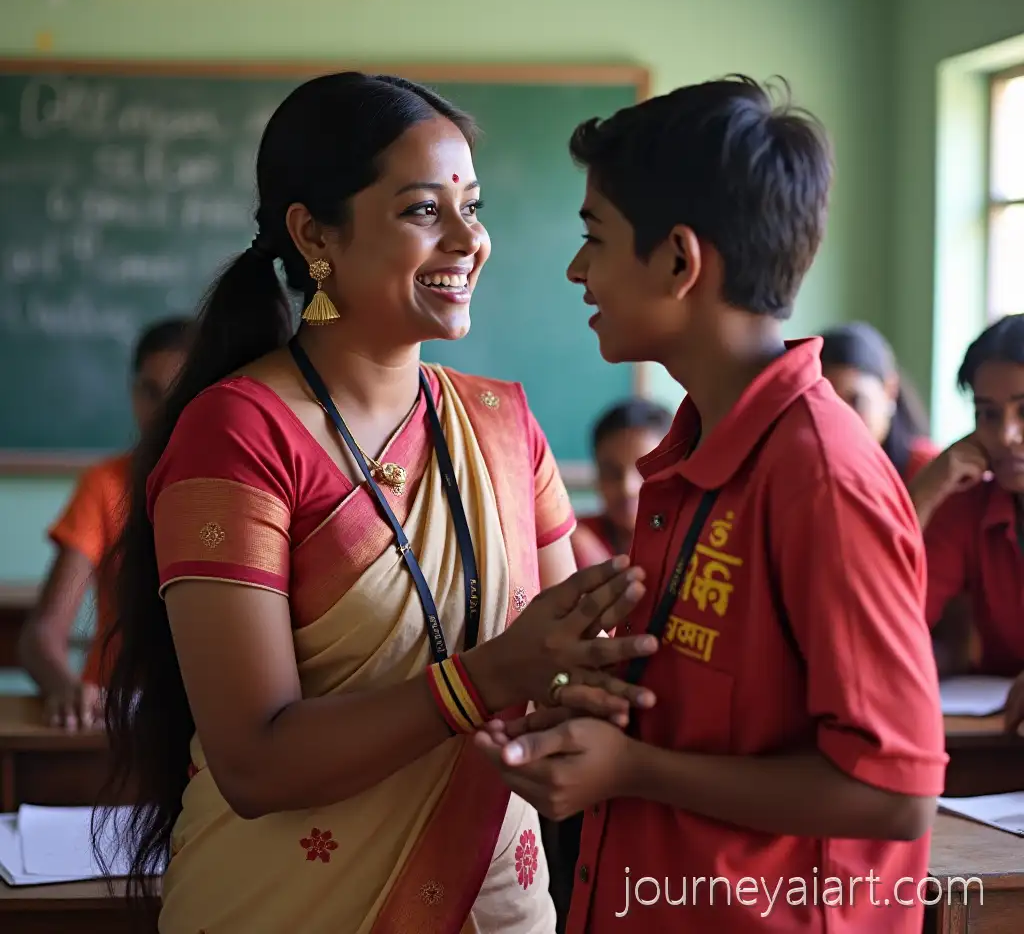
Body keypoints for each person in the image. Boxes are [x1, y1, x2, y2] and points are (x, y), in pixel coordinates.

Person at [96, 73, 662, 934]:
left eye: (472, 206)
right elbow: (254, 764)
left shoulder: (504, 428)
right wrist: (491, 677)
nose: (470, 240)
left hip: (503, 908)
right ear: (314, 233)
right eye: (423, 211)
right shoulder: (240, 433)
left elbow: (567, 668)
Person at [474, 76, 947, 933]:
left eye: (596, 238)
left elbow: (895, 796)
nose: (579, 270)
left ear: (681, 261)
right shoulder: (694, 452)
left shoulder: (819, 475)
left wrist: (632, 769)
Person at [18, 317, 193, 729]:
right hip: (111, 715)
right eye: (150, 393)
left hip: (206, 717)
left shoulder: (236, 488)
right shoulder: (106, 485)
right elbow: (41, 635)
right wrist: (63, 686)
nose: (161, 412)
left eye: (179, 395)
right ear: (134, 394)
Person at [916, 314, 1024, 732]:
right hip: (995, 740)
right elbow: (882, 614)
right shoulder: (968, 504)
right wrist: (924, 492)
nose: (1006, 435)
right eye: (988, 414)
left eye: (1023, 410)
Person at [819, 321, 938, 484]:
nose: (842, 420)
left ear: (889, 390)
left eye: (856, 401)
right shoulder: (812, 473)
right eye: (827, 406)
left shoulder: (930, 471)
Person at [571, 399, 673, 568]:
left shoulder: (695, 545)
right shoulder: (573, 540)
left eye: (645, 471)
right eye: (611, 472)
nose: (627, 488)